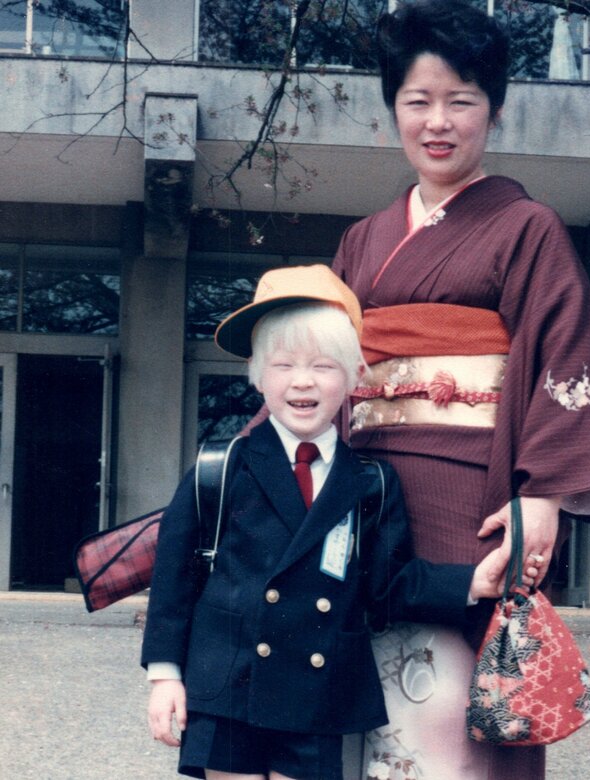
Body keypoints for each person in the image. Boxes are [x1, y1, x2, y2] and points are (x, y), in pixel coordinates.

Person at [329, 2, 590, 778]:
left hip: (473, 500)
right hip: (369, 498)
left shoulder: (527, 228)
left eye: (461, 101)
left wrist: (547, 495)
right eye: (417, 101)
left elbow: (568, 362)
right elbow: (319, 367)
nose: (438, 121)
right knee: (362, 698)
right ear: (392, 107)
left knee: (469, 715)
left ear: (493, 110)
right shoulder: (362, 241)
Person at [141, 264, 510, 780]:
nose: (303, 381)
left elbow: (386, 585)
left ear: (357, 376)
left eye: (324, 365)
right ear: (256, 374)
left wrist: (471, 582)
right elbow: (173, 581)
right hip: (228, 686)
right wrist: (165, 678)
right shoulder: (220, 466)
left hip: (316, 697)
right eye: (284, 364)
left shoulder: (370, 482)